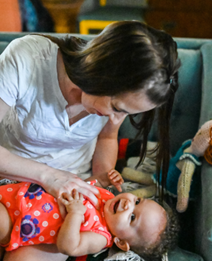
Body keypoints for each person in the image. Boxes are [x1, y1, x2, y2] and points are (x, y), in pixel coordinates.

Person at [0, 20, 180, 260]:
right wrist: (50, 177)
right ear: (101, 71)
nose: (116, 119)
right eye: (117, 107)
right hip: (11, 178)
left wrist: (104, 177)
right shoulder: (29, 60)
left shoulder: (97, 230)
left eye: (127, 113)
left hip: (70, 198)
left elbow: (107, 137)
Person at [0, 170, 179, 261]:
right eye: (138, 201)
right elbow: (87, 184)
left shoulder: (100, 236)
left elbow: (69, 247)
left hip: (18, 223)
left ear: (121, 242)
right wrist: (104, 179)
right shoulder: (107, 197)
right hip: (18, 194)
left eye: (132, 217)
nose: (128, 204)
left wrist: (75, 214)